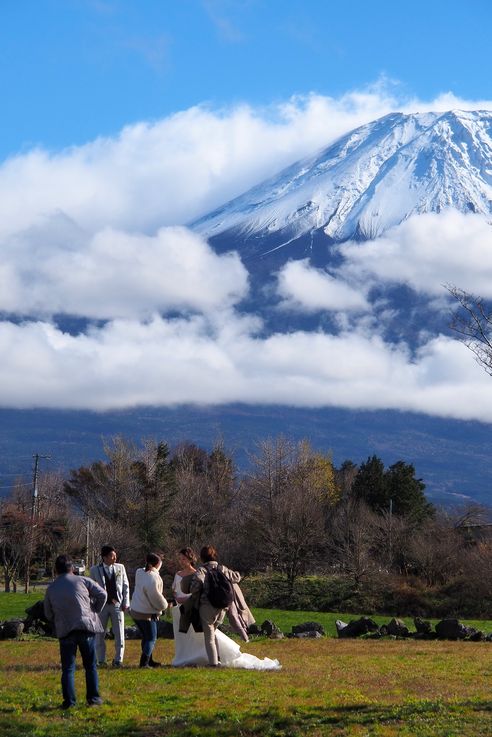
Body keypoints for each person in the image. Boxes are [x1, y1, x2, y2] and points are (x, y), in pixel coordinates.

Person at [177, 545, 281, 670]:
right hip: (222, 607)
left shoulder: (202, 570)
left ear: (202, 557)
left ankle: (213, 663)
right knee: (213, 632)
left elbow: (196, 586)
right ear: (214, 556)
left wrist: (194, 591)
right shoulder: (222, 568)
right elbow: (237, 577)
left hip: (207, 607)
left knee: (209, 636)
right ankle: (217, 659)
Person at [44, 554, 107, 709]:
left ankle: (69, 702)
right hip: (86, 626)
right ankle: (94, 699)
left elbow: (48, 613)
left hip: (65, 629)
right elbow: (102, 594)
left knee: (68, 668)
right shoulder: (82, 580)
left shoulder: (51, 588)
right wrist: (94, 610)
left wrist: (56, 620)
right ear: (72, 568)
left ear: (55, 570)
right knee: (90, 665)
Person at [90, 544, 130, 668]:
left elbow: (125, 586)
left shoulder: (120, 568)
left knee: (119, 633)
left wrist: (126, 603)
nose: (115, 558)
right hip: (101, 606)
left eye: (115, 556)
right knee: (99, 634)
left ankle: (118, 660)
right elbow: (91, 589)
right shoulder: (95, 570)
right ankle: (101, 660)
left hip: (117, 604)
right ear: (105, 557)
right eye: (112, 556)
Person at [130, 552, 168, 668]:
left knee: (146, 637)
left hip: (135, 610)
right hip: (146, 613)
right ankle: (144, 662)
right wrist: (164, 605)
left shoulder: (139, 572)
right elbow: (155, 597)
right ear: (158, 564)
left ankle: (149, 660)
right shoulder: (153, 577)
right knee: (151, 638)